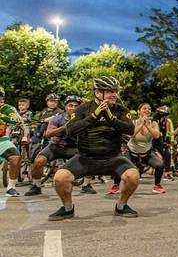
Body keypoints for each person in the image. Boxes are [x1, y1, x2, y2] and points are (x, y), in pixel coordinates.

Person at [48, 76, 139, 220]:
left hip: (113, 158)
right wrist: (94, 116)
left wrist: (111, 118)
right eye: (109, 91)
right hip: (86, 158)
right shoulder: (83, 109)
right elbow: (71, 129)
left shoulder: (121, 109)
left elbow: (130, 129)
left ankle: (121, 206)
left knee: (133, 176)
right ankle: (67, 208)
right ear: (97, 92)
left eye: (115, 91)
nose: (114, 94)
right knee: (60, 178)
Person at [25, 96, 81, 196]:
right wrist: (63, 127)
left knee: (89, 156)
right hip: (56, 146)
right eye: (70, 105)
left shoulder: (83, 118)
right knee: (38, 161)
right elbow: (48, 134)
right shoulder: (57, 118)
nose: (73, 108)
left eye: (76, 106)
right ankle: (36, 186)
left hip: (74, 147)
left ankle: (87, 185)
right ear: (66, 107)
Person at [124, 103, 166, 194]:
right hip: (132, 152)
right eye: (144, 108)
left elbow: (157, 135)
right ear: (139, 111)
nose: (147, 110)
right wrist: (141, 124)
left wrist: (146, 124)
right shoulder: (133, 122)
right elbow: (131, 135)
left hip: (146, 153)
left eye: (149, 109)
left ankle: (157, 185)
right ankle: (116, 185)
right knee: (122, 165)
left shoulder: (153, 123)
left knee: (159, 165)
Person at [0, 86, 23, 197]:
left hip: (1, 139)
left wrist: (2, 116)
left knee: (15, 157)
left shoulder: (7, 108)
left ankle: (11, 187)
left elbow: (17, 120)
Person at [153, 106, 175, 180]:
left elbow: (164, 132)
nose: (167, 116)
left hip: (159, 140)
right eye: (166, 114)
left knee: (167, 153)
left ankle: (167, 172)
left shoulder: (165, 121)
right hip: (151, 140)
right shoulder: (154, 119)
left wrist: (165, 142)